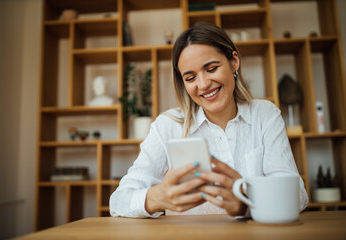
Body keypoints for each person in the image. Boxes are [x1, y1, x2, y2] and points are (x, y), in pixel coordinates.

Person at [110, 22, 308, 218]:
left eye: (211, 68)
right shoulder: (167, 126)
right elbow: (118, 202)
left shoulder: (265, 115)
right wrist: (156, 198)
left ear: (234, 62)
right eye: (190, 78)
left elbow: (297, 195)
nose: (203, 84)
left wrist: (246, 202)